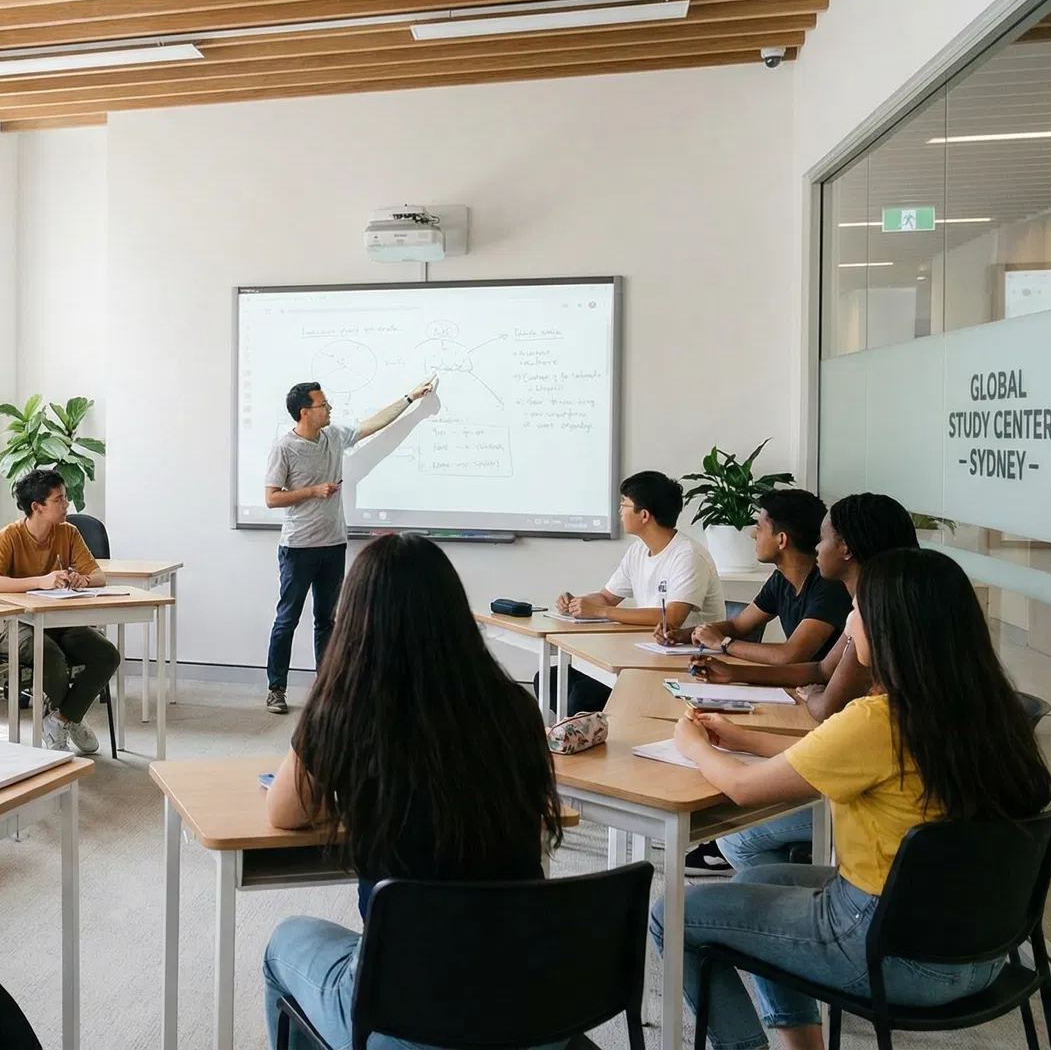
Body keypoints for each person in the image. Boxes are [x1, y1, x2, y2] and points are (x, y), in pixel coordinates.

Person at [651, 548, 1051, 1050]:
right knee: (759, 878)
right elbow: (835, 754)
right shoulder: (989, 712)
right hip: (984, 947)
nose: (848, 623)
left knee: (673, 913)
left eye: (857, 610)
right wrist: (742, 738)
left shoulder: (878, 719)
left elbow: (744, 789)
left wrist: (693, 746)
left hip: (891, 951)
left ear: (889, 628)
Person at [262, 533, 564, 1050]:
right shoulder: (514, 708)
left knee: (282, 946)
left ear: (354, 621)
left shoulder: (345, 712)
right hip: (534, 1011)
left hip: (406, 1017)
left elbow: (284, 811)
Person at [690, 491, 918, 872]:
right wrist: (740, 718)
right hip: (885, 797)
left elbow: (821, 700)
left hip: (873, 841)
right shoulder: (901, 621)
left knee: (735, 837)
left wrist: (694, 745)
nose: (816, 547)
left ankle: (813, 868)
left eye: (823, 539)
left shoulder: (875, 711)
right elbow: (822, 673)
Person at [261, 378, 436, 715]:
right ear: (304, 412)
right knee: (287, 619)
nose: (329, 409)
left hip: (333, 545)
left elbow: (374, 423)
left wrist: (409, 397)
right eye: (323, 405)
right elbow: (271, 498)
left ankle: (327, 688)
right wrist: (313, 491)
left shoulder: (334, 436)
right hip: (298, 547)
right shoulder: (285, 448)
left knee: (327, 621)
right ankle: (276, 688)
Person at [553, 470, 726, 715]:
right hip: (645, 652)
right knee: (551, 680)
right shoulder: (638, 550)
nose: (619, 511)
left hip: (683, 661)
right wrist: (576, 603)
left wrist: (601, 611)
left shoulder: (688, 556)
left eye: (624, 505)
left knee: (581, 695)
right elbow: (607, 597)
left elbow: (672, 618)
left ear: (644, 515)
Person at [0, 468, 120, 753]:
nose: (67, 504)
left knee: (107, 655)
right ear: (37, 507)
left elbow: (99, 576)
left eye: (64, 498)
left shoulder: (68, 532)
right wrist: (40, 582)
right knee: (50, 656)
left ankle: (62, 718)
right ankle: (69, 716)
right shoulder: (9, 536)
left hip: (59, 620)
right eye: (59, 499)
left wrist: (83, 580)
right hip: (14, 624)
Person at [663, 489, 850, 665]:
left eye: (759, 528)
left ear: (781, 540)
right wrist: (683, 634)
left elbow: (791, 654)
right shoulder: (781, 579)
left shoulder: (830, 586)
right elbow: (738, 626)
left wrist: (723, 643)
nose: (753, 534)